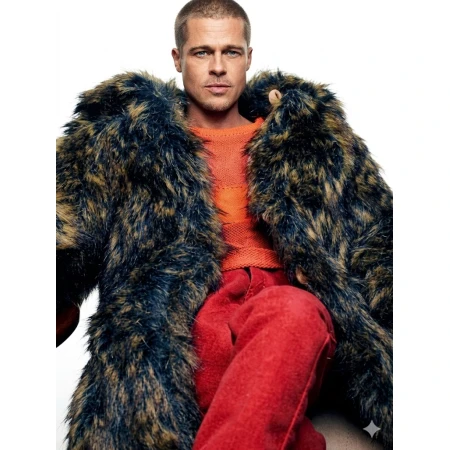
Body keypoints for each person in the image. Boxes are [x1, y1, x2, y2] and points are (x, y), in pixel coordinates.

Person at [56, 0, 393, 449]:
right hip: (190, 318)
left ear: (248, 58)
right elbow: (64, 233)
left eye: (231, 52)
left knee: (291, 311)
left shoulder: (308, 137)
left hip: (298, 312)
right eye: (202, 52)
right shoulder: (130, 142)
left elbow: (381, 239)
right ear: (177, 59)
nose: (218, 67)